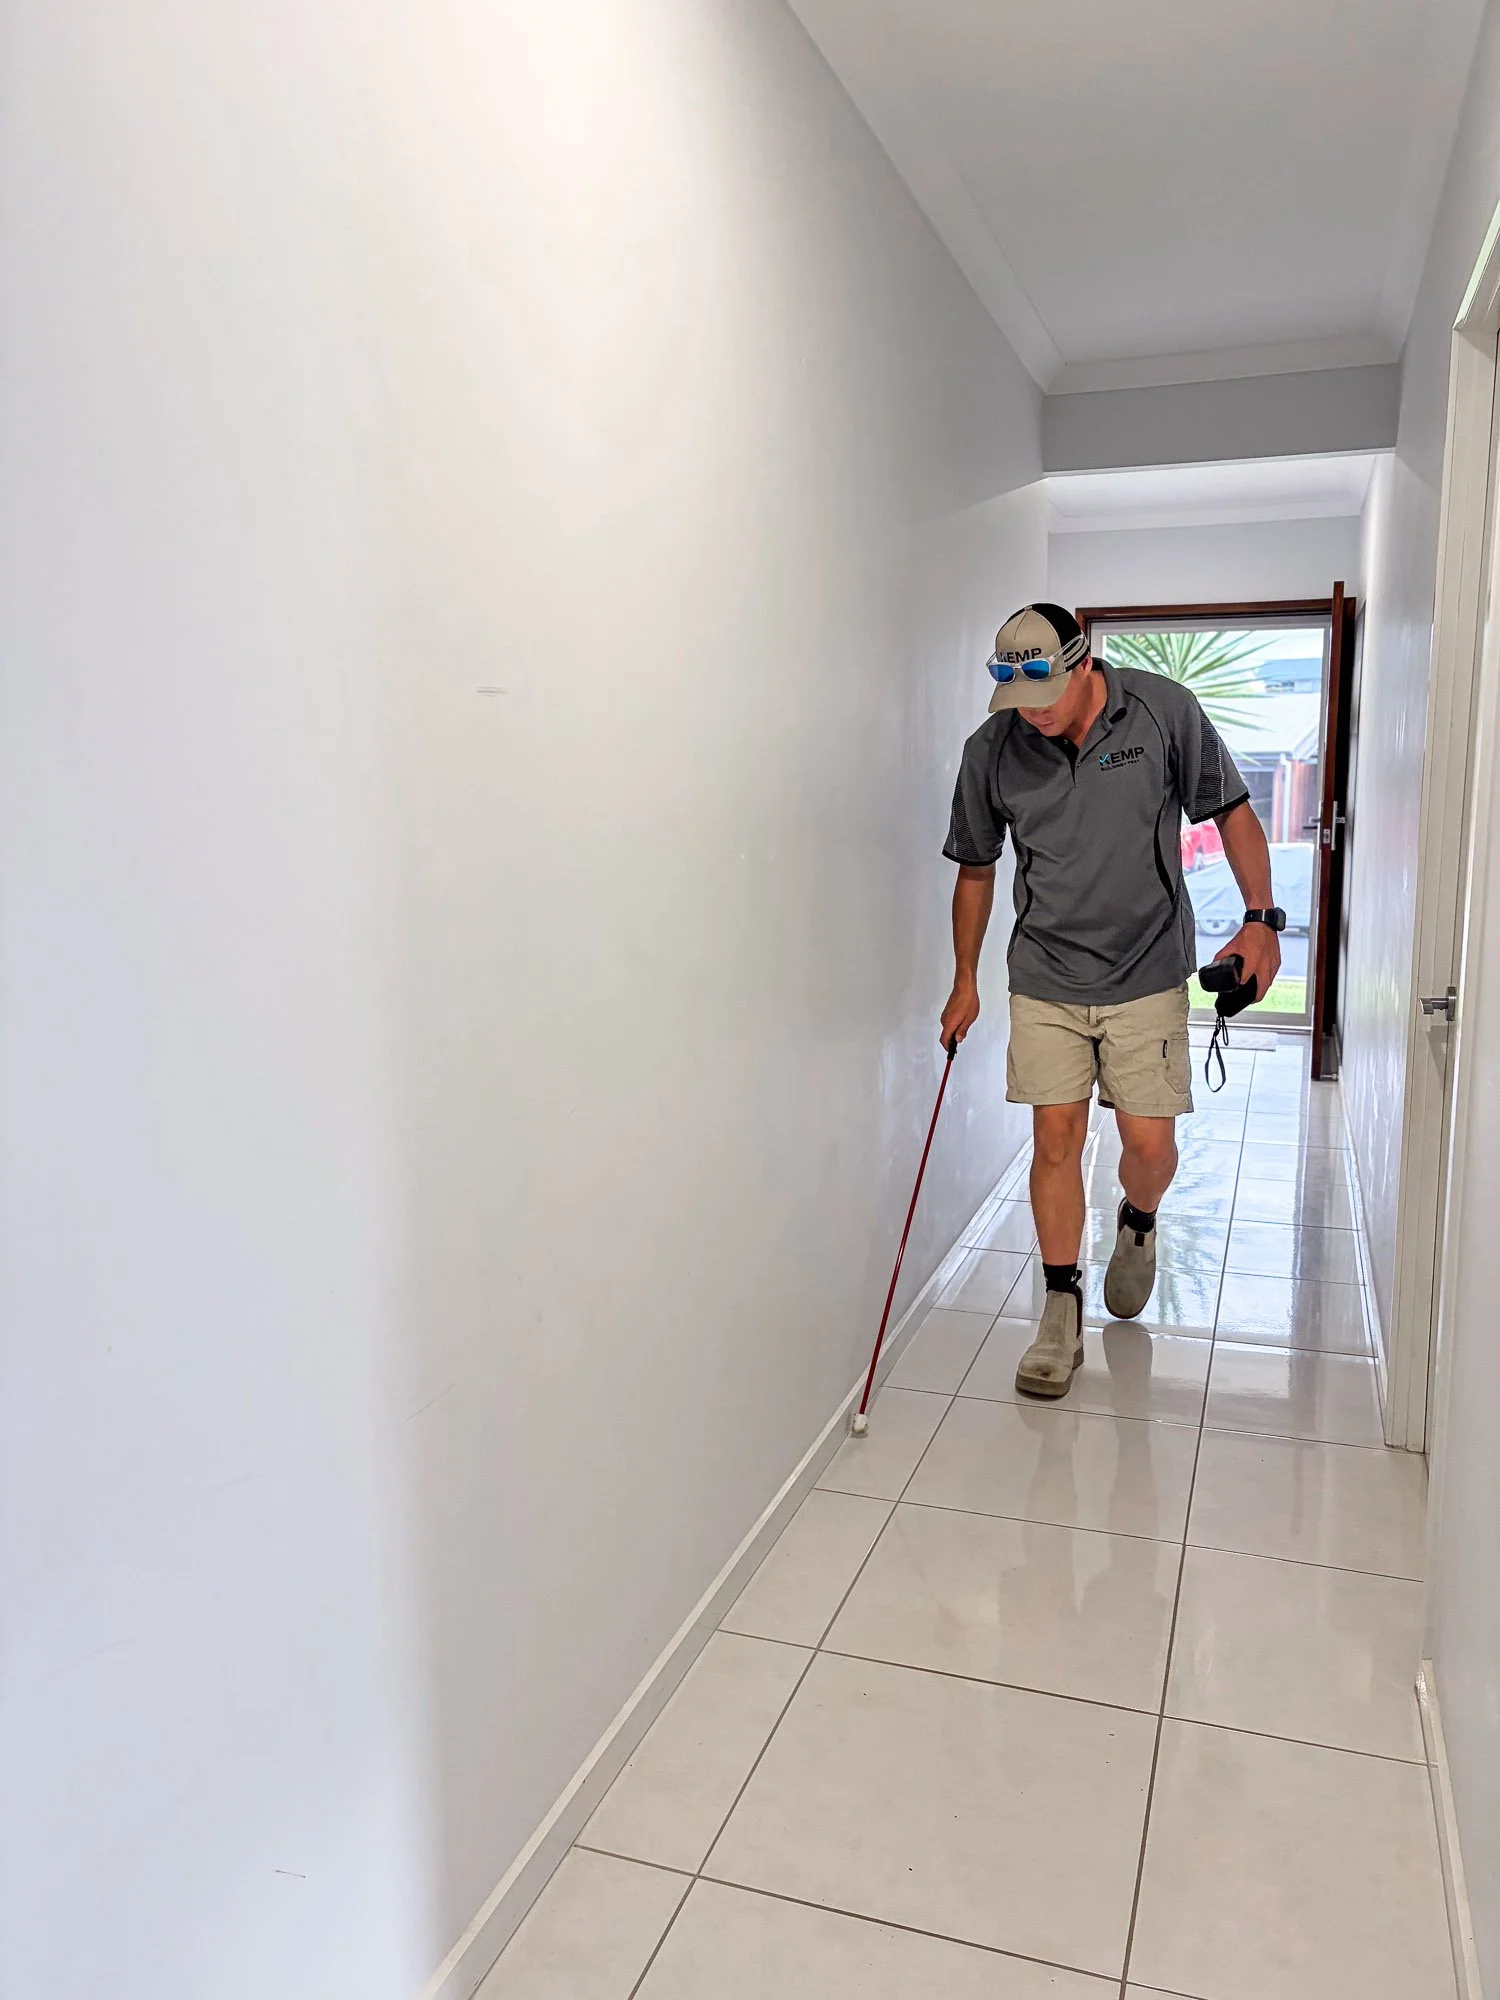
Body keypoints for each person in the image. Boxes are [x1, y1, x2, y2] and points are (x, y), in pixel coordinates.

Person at [939, 603, 1283, 1398]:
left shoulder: (1162, 711)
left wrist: (1261, 921)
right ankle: (1061, 1308)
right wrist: (964, 978)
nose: (1035, 714)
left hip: (1148, 970)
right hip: (1047, 976)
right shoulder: (990, 752)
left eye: (1046, 693)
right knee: (1053, 1142)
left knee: (1150, 1148)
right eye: (1018, 701)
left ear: (1083, 662)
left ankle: (1137, 1219)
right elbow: (977, 868)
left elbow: (1230, 810)